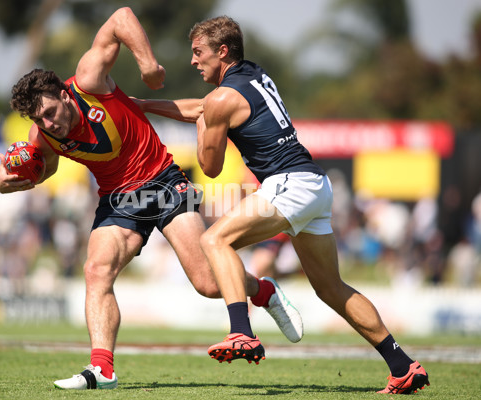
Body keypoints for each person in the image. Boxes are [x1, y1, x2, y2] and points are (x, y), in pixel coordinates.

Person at [0, 7, 302, 391]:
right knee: (96, 270)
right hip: (117, 200)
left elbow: (121, 17)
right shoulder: (45, 134)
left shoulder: (89, 78)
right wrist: (13, 181)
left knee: (207, 283)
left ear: (63, 93)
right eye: (39, 121)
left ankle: (264, 290)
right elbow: (44, 167)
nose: (49, 124)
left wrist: (148, 65)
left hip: (164, 180)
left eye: (51, 113)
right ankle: (101, 369)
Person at [136, 15, 430, 395]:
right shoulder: (253, 76)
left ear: (222, 52)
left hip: (288, 184)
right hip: (315, 185)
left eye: (199, 53)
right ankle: (402, 365)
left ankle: (241, 331)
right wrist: (141, 104)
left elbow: (208, 166)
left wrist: (203, 127)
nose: (193, 61)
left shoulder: (222, 98)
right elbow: (203, 107)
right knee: (330, 288)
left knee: (214, 241)